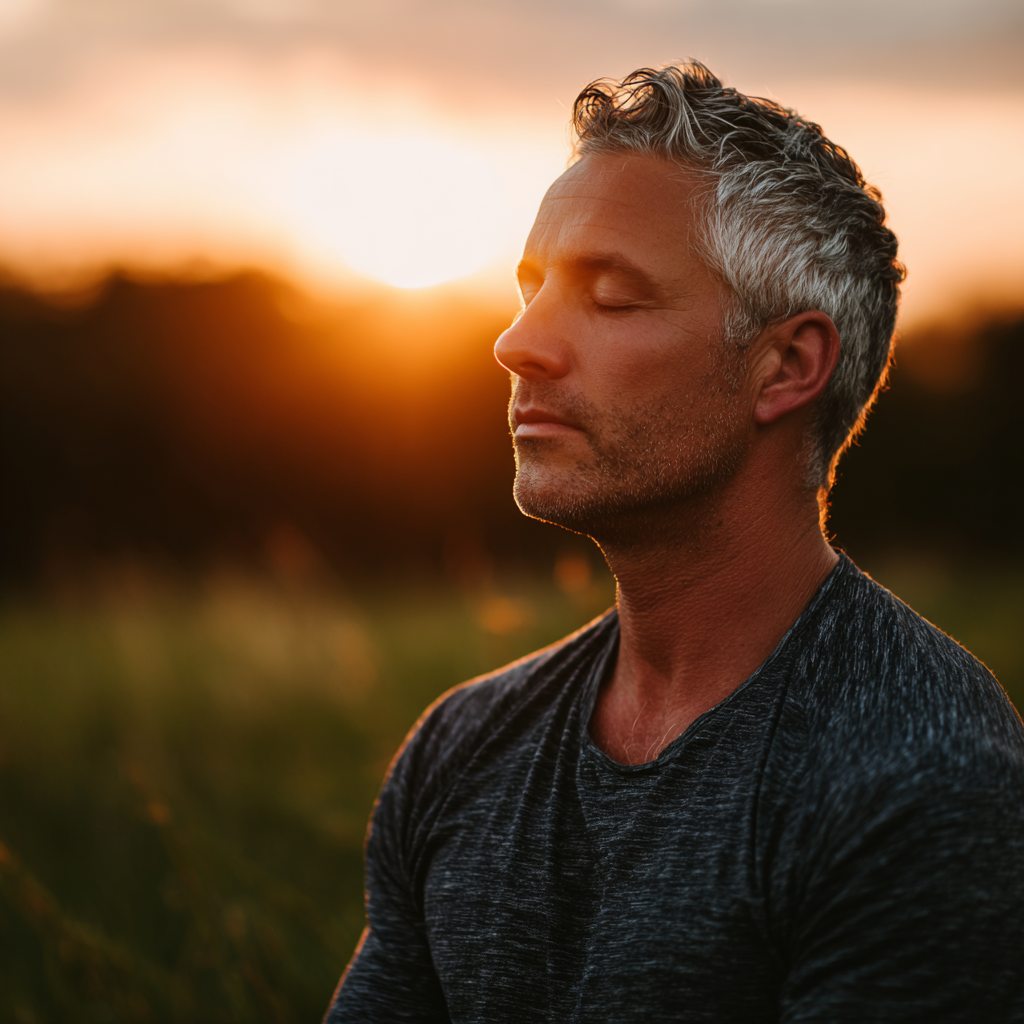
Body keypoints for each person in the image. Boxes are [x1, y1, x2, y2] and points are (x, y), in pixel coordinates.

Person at [326, 62, 1024, 1022]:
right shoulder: (461, 749)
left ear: (785, 366)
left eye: (611, 298)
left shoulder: (918, 774)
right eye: (531, 290)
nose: (518, 344)